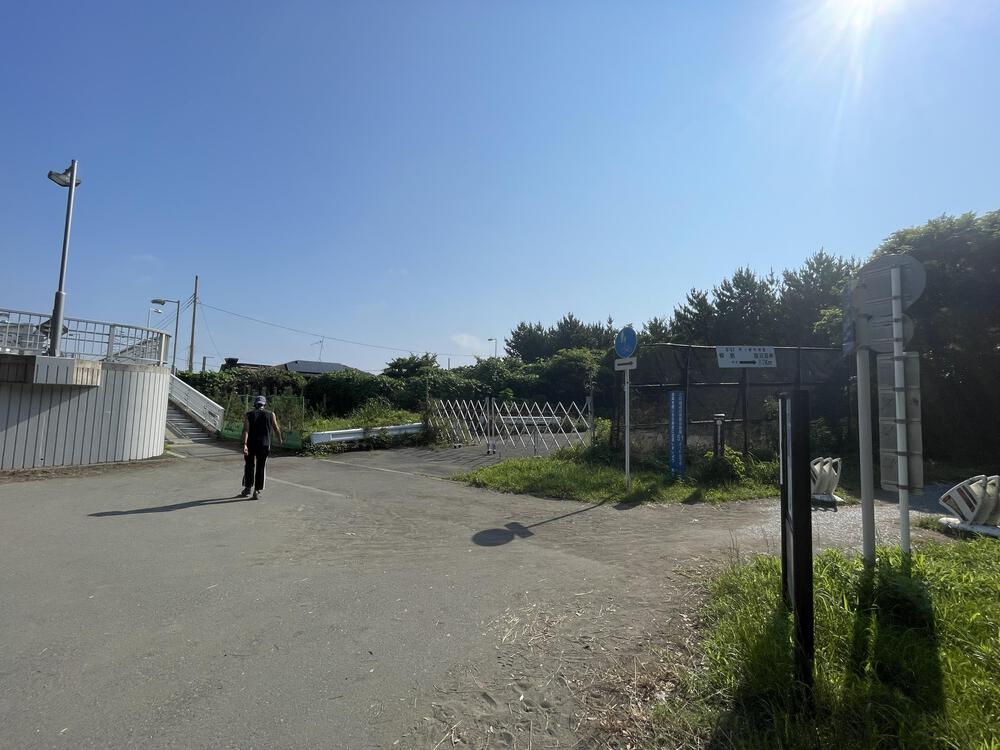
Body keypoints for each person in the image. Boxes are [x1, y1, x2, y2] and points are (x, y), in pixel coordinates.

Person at [241, 395, 283, 499]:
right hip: (264, 445)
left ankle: (247, 488)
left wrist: (245, 444)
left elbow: (246, 430)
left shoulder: (249, 415)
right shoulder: (271, 414)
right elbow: (276, 427)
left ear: (255, 404)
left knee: (249, 466)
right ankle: (257, 491)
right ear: (264, 404)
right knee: (261, 467)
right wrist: (280, 439)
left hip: (251, 444)